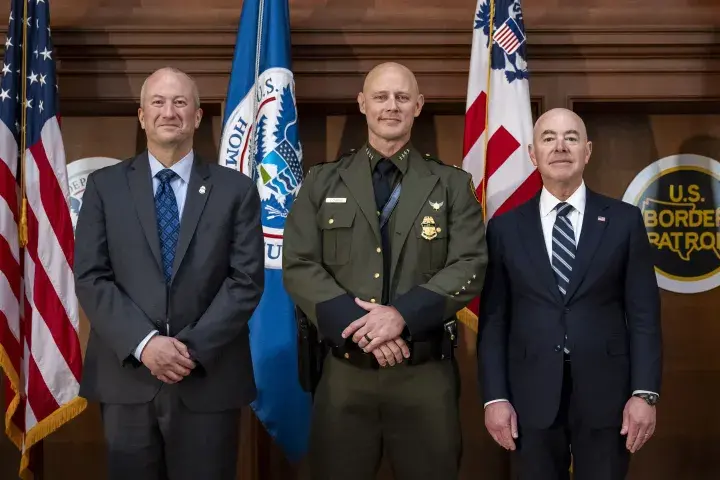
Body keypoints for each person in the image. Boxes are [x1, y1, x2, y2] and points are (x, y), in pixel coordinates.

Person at [282, 62, 488, 480]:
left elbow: (470, 263)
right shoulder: (322, 183)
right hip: (344, 373)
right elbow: (298, 263)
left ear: (418, 105)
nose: (390, 106)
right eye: (380, 96)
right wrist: (364, 327)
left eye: (401, 97)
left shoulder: (450, 185)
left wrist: (401, 317)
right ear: (362, 104)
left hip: (424, 375)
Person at [74, 67, 264, 480]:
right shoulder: (104, 187)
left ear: (197, 117)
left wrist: (187, 349)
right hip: (128, 380)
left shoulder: (236, 190)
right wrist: (145, 345)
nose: (169, 112)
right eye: (157, 102)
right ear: (142, 116)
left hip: (207, 380)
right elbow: (91, 276)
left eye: (180, 102)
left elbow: (245, 281)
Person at [477, 108, 662, 480]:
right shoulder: (504, 228)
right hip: (529, 398)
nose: (560, 147)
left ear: (587, 151)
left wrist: (644, 394)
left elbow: (644, 317)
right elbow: (494, 320)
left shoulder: (624, 221)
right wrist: (495, 397)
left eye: (571, 138)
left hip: (609, 396)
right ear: (533, 154)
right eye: (548, 138)